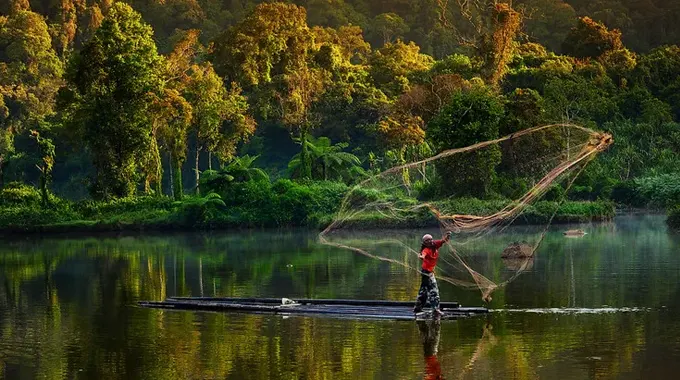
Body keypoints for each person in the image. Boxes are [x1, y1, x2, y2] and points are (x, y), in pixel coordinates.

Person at [413, 231, 451, 317]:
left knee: (424, 291)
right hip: (427, 273)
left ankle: (417, 308)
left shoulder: (435, 245)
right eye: (427, 240)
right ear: (424, 243)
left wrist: (447, 235)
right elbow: (423, 255)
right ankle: (435, 310)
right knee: (434, 291)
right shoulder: (426, 250)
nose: (430, 241)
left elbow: (443, 241)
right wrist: (421, 256)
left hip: (428, 272)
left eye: (431, 239)